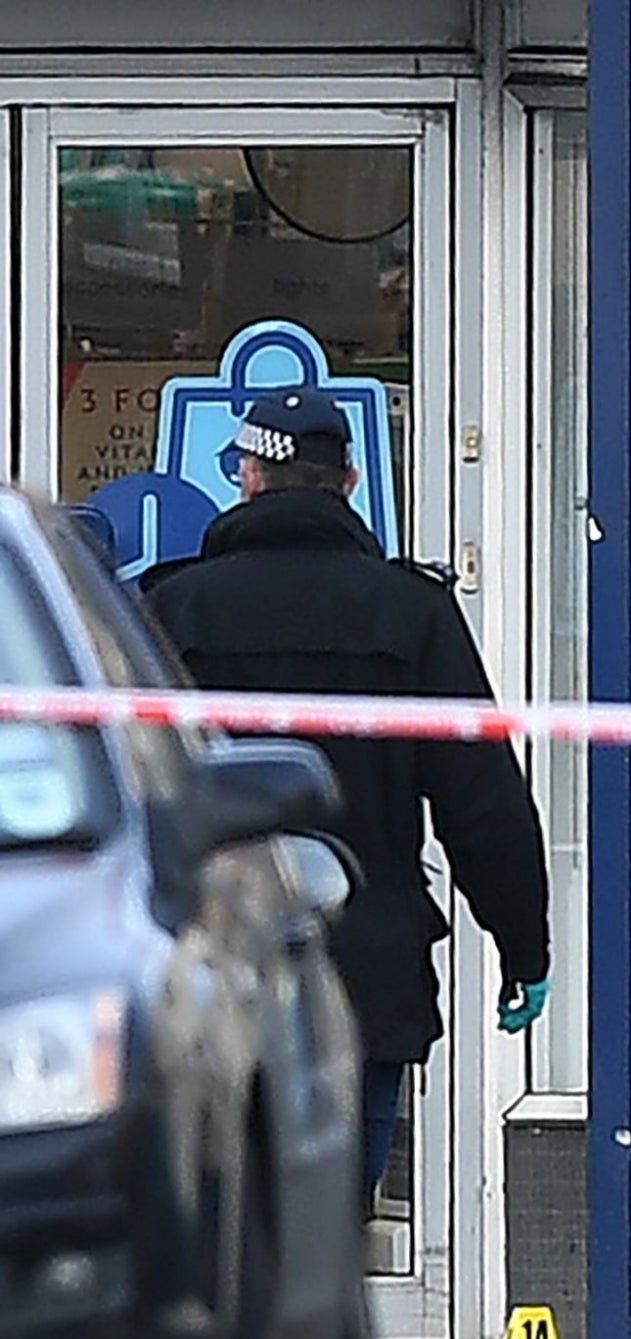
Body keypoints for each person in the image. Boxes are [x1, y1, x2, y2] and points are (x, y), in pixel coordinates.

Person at [147, 387, 551, 1202]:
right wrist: (523, 945)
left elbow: (130, 787)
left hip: (208, 958)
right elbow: (482, 800)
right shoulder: (412, 611)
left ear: (250, 477)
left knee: (215, 1209)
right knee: (332, 1212)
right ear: (353, 482)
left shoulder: (171, 607)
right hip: (362, 962)